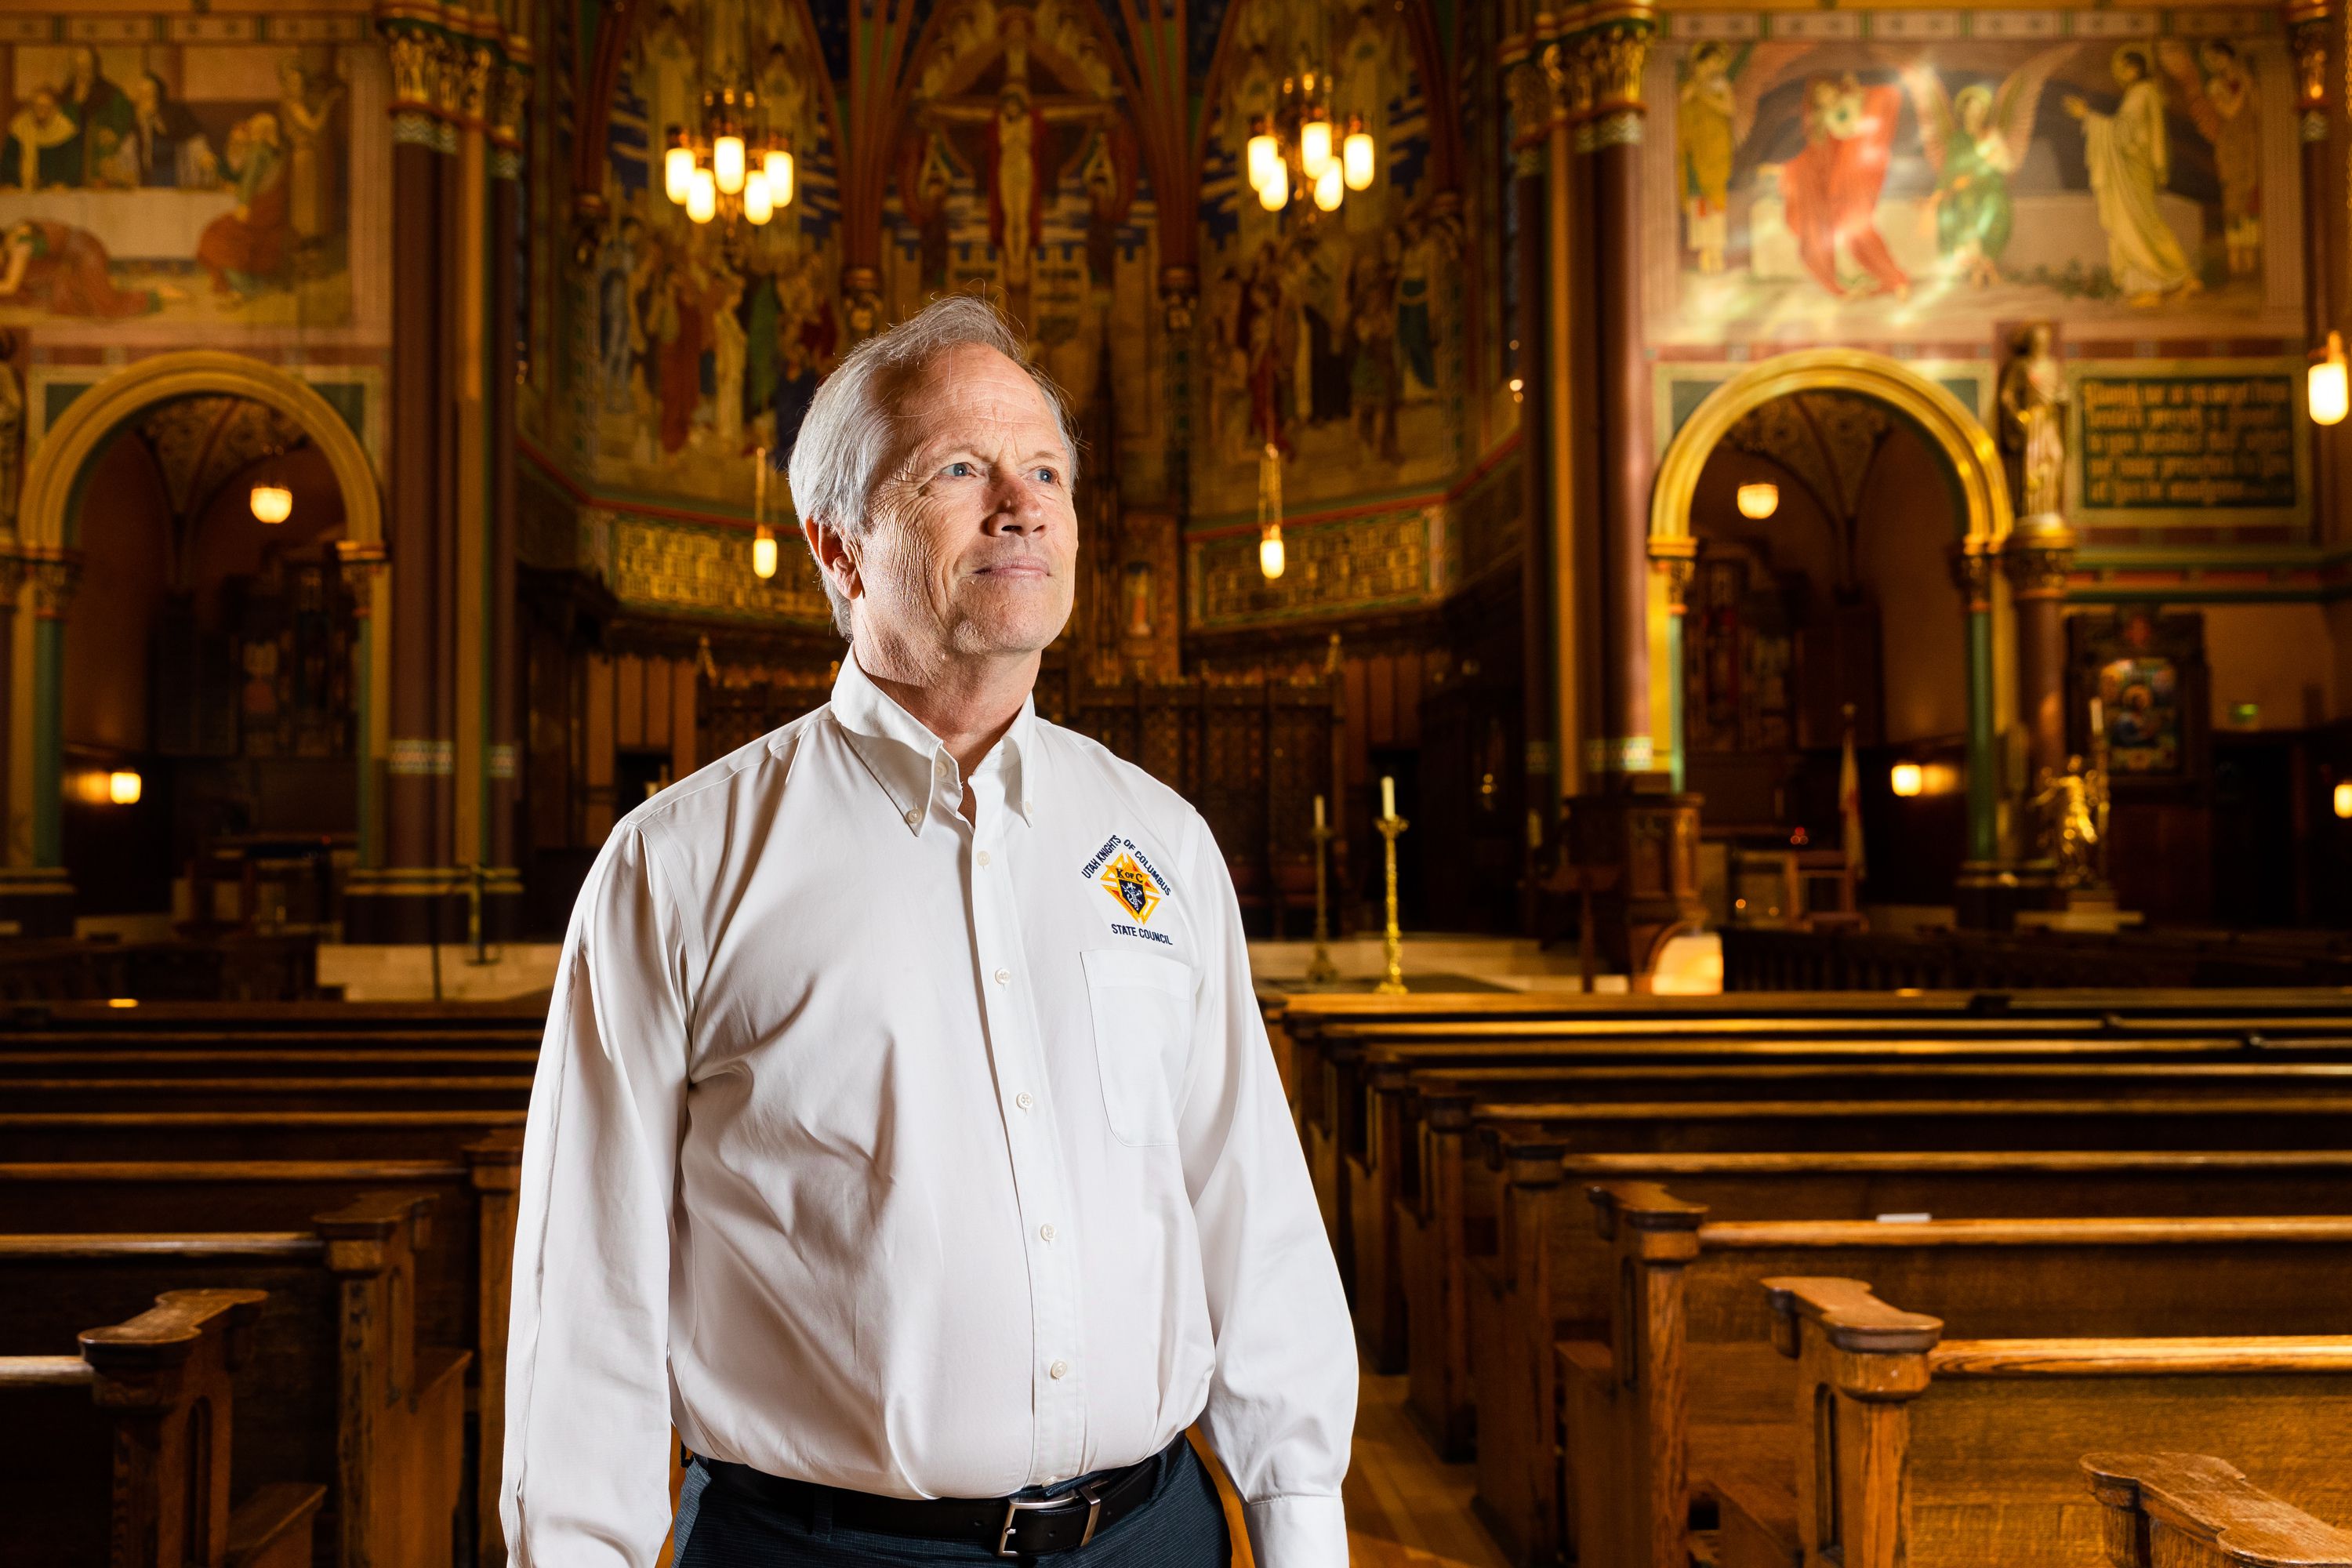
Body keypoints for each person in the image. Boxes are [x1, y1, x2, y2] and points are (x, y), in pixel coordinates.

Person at [500, 293, 1355, 1568]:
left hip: (1154, 1537)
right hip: (822, 1551)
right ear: (838, 543)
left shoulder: (1161, 841)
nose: (1023, 504)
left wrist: (1301, 1528)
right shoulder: (679, 867)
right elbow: (590, 1308)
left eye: (1048, 470)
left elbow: (1249, 1211)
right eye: (961, 468)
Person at [2066, 46, 2198, 306]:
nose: (2121, 73)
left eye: (2125, 67)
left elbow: (2126, 135)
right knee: (2139, 226)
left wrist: (2088, 117)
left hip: (2134, 170)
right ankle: (2174, 281)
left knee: (2140, 226)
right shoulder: (2141, 94)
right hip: (2130, 171)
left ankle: (2157, 285)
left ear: (2136, 68)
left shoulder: (2141, 94)